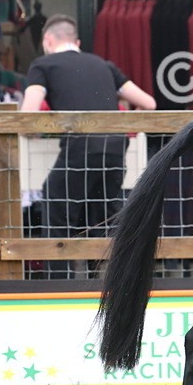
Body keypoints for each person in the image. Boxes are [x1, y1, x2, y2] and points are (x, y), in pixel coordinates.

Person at [21, 14, 156, 278]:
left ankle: (58, 281)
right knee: (103, 213)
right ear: (77, 41)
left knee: (56, 205)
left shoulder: (43, 65)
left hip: (80, 147)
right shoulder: (104, 65)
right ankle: (109, 279)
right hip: (116, 148)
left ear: (48, 40)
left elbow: (27, 115)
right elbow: (148, 104)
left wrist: (35, 132)